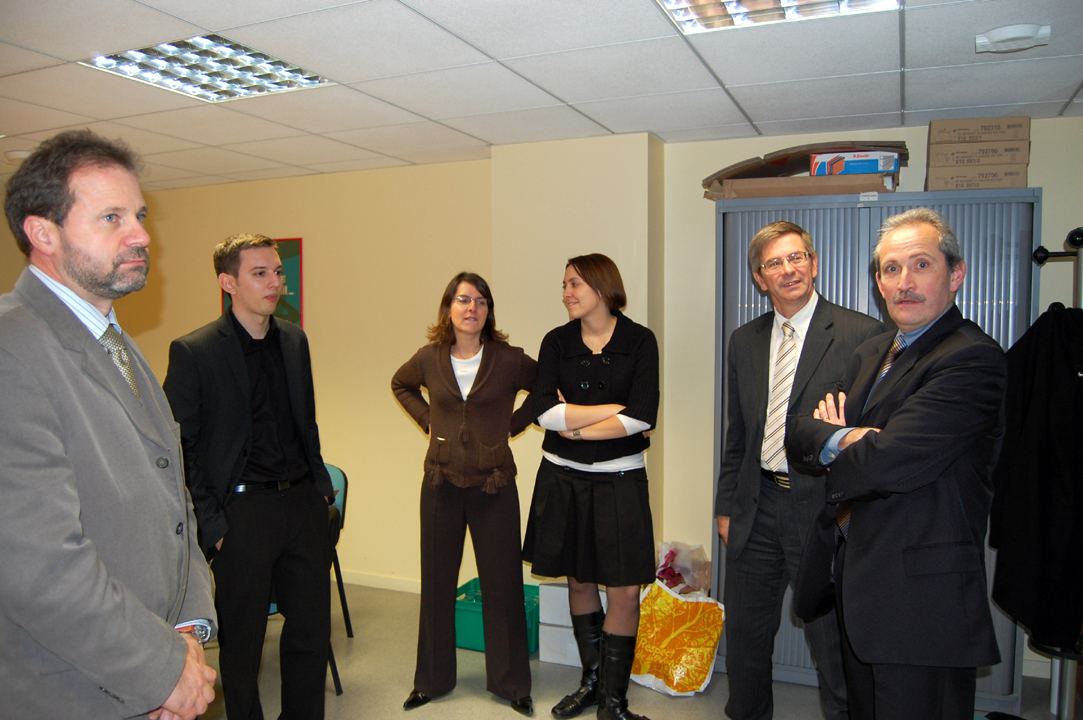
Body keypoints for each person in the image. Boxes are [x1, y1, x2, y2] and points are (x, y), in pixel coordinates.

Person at [0, 129, 216, 720]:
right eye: (112, 218)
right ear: (43, 233)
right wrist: (161, 671)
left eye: (139, 216)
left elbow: (173, 498)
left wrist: (187, 635)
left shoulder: (116, 342)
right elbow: (38, 563)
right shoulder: (12, 347)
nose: (141, 235)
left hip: (152, 669)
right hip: (75, 689)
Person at [787, 208, 1006, 720]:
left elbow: (886, 463)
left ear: (956, 274)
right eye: (891, 269)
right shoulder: (871, 352)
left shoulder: (971, 358)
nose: (904, 282)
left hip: (920, 603)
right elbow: (799, 432)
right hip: (859, 580)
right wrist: (852, 438)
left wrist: (841, 441)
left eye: (921, 265)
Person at [715, 221, 883, 720]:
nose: (788, 269)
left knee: (834, 649)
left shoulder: (862, 335)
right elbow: (739, 434)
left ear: (813, 263)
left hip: (822, 512)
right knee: (745, 641)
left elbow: (871, 438)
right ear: (759, 278)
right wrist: (726, 507)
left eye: (797, 257)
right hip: (755, 506)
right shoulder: (744, 341)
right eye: (775, 263)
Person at [163, 233, 334, 720]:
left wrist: (320, 490)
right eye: (260, 273)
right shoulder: (195, 351)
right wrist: (213, 525)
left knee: (309, 635)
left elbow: (306, 422)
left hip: (301, 504)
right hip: (241, 514)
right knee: (243, 646)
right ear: (228, 283)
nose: (274, 282)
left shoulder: (294, 340)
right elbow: (179, 448)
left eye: (277, 272)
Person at [392, 272, 537, 716]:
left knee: (503, 586)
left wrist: (511, 425)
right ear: (448, 308)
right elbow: (400, 384)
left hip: (495, 486)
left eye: (480, 301)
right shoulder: (429, 358)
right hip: (440, 485)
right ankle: (431, 681)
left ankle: (512, 684)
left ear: (488, 311)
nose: (471, 308)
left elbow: (546, 389)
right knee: (436, 584)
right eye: (463, 299)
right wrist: (428, 421)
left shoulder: (509, 359)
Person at [523, 253, 659, 720]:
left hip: (621, 480)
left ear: (602, 287)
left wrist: (576, 426)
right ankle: (593, 686)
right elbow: (545, 412)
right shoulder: (556, 342)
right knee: (578, 579)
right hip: (562, 478)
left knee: (624, 592)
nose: (566, 293)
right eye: (564, 285)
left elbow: (643, 416)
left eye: (574, 284)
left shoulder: (640, 341)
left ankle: (613, 706)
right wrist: (611, 411)